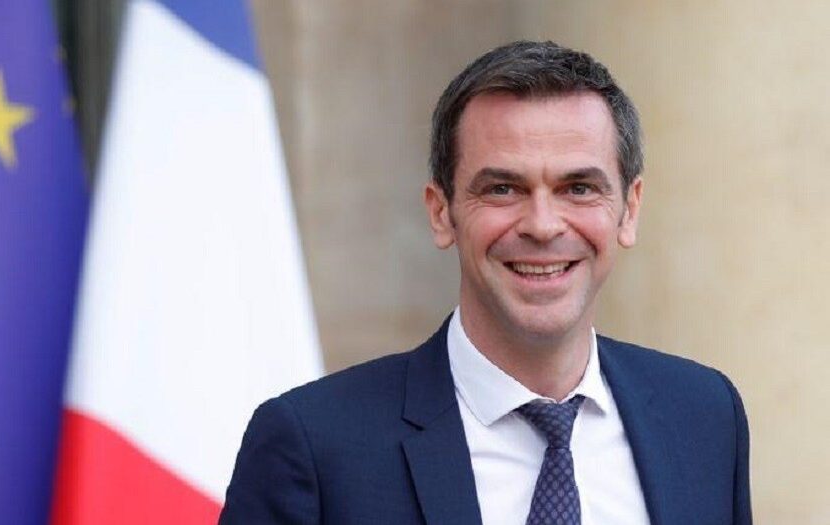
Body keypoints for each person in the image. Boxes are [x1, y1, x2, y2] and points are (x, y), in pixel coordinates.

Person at [219, 40, 751, 525]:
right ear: (441, 212)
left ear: (629, 210)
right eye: (502, 189)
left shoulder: (705, 417)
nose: (543, 225)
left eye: (578, 188)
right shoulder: (315, 447)